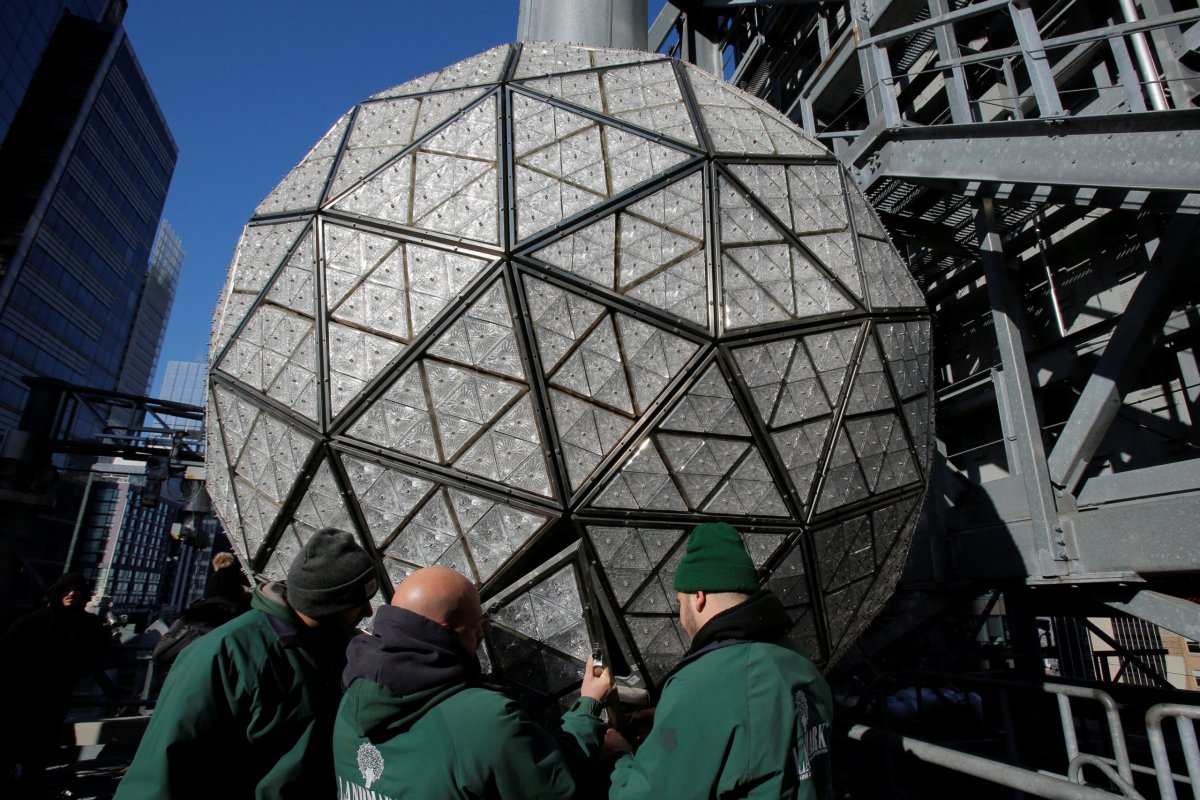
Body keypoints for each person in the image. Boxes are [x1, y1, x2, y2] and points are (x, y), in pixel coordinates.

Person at [115, 528, 378, 800]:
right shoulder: (226, 653)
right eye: (360, 601)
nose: (368, 611)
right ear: (329, 602)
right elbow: (160, 773)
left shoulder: (340, 647)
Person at [333, 565, 613, 798]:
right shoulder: (486, 719)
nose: (483, 632)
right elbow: (556, 786)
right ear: (448, 631)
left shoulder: (353, 696)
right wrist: (589, 706)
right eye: (480, 625)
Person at [608, 522, 833, 800]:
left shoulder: (703, 683)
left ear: (698, 596)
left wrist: (619, 757)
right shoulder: (798, 661)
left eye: (680, 601)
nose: (680, 618)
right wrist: (672, 718)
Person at [0, 573, 109, 798]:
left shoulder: (89, 626)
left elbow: (95, 657)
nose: (71, 594)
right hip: (18, 696)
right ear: (57, 592)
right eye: (67, 590)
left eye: (76, 590)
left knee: (39, 751)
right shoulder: (32, 621)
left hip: (55, 698)